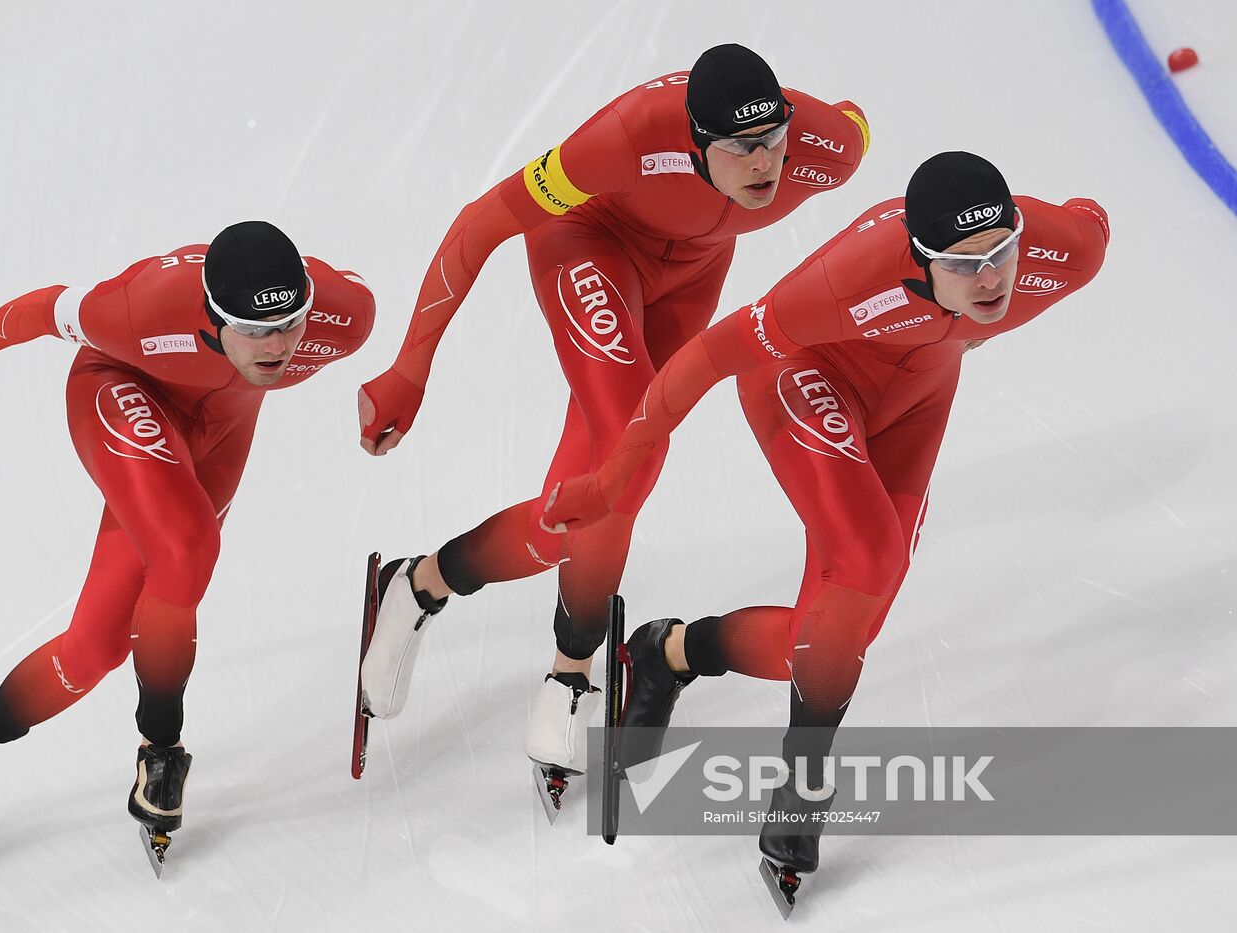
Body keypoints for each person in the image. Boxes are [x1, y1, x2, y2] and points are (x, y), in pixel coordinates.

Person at [540, 152, 1109, 874]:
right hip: (803, 378)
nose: (993, 278)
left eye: (1002, 250)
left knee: (831, 642)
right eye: (965, 264)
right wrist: (613, 475)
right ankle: (801, 790)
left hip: (917, 403)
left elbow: (1092, 223)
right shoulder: (848, 280)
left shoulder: (1060, 256)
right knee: (871, 557)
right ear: (917, 258)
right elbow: (704, 361)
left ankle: (667, 654)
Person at [355, 44, 870, 782]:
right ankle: (573, 670)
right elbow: (482, 223)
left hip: (692, 273)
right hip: (587, 248)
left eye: (775, 143)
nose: (766, 166)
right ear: (695, 142)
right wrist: (411, 366)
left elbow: (855, 125)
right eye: (742, 150)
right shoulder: (626, 139)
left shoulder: (825, 151)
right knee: (634, 448)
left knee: (585, 504)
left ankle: (421, 582)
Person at [0, 221, 374, 857]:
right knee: (188, 548)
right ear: (210, 318)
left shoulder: (344, 320)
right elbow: (49, 308)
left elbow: (352, 296)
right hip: (120, 391)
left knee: (93, 650)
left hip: (221, 433)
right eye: (254, 331)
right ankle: (163, 746)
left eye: (290, 325)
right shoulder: (142, 310)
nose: (277, 346)